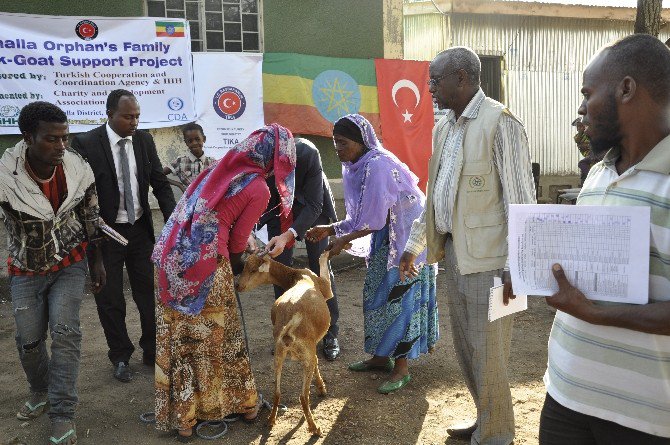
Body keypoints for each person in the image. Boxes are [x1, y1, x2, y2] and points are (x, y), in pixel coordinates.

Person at [536, 34, 670, 444]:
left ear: (627, 89)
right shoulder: (598, 172)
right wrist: (534, 270)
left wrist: (596, 313)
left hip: (644, 418)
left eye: (588, 93)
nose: (580, 109)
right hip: (564, 394)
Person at [399, 47, 536, 444]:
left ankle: (496, 437)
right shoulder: (445, 126)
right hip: (457, 257)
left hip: (495, 266)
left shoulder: (501, 123)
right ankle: (487, 421)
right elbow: (436, 196)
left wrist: (517, 269)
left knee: (490, 357)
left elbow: (522, 203)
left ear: (462, 77)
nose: (430, 90)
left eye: (435, 81)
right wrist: (415, 244)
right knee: (469, 353)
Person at [151, 124, 296, 440]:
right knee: (223, 336)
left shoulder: (216, 172)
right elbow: (235, 244)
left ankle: (185, 417)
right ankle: (245, 404)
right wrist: (251, 259)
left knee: (181, 337)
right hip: (205, 267)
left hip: (169, 259)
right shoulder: (258, 188)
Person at [306, 114, 438, 394]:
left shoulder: (377, 165)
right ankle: (380, 357)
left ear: (360, 141)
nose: (338, 150)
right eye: (334, 144)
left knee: (399, 300)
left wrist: (340, 241)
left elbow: (373, 220)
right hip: (384, 238)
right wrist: (331, 229)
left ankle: (401, 367)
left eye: (342, 143)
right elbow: (360, 217)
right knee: (375, 296)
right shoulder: (356, 166)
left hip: (405, 242)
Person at [0, 102, 106, 445]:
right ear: (28, 137)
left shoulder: (76, 167)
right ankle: (40, 390)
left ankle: (63, 412)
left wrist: (97, 260)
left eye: (65, 137)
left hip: (70, 262)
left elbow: (92, 215)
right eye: (52, 139)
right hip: (25, 269)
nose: (62, 146)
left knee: (65, 333)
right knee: (29, 342)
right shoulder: (5, 176)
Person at [71, 89, 176, 382]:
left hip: (140, 231)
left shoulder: (143, 141)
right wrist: (89, 238)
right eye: (128, 116)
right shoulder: (86, 143)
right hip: (105, 236)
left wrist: (173, 226)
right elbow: (80, 194)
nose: (134, 122)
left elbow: (160, 184)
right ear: (110, 114)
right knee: (109, 297)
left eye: (137, 116)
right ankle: (119, 356)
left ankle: (152, 350)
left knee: (148, 295)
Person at [259, 137, 341, 360]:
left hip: (315, 209)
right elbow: (264, 201)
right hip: (281, 210)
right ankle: (284, 332)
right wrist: (250, 229)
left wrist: (291, 234)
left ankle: (330, 332)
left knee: (319, 268)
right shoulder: (264, 159)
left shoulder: (307, 153)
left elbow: (315, 205)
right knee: (280, 270)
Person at [162, 122, 215, 192]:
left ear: (204, 139)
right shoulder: (180, 161)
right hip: (189, 201)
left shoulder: (213, 163)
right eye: (190, 141)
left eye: (197, 139)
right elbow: (159, 174)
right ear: (186, 143)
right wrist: (179, 185)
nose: (194, 143)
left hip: (209, 201)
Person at [572, 117, 603, 185]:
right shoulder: (577, 136)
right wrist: (580, 131)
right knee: (584, 169)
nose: (578, 128)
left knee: (584, 164)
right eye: (578, 127)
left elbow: (593, 143)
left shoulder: (589, 134)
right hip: (588, 155)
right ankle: (587, 182)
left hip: (594, 155)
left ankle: (592, 178)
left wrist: (587, 145)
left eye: (580, 126)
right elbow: (578, 141)